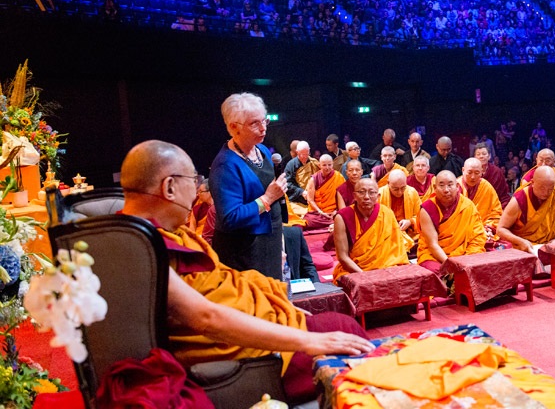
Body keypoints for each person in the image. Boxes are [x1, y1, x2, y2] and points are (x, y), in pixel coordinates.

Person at [120, 140, 374, 405]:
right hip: (233, 346)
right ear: (169, 187)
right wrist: (308, 341)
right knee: (346, 332)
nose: (196, 190)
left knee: (338, 324)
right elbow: (206, 317)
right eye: (192, 179)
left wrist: (276, 304)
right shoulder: (144, 248)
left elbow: (221, 281)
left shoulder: (167, 234)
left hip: (254, 320)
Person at [209, 93, 288, 279]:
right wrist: (267, 198)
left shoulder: (261, 150)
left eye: (264, 121)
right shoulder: (225, 165)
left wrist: (280, 246)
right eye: (254, 123)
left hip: (270, 241)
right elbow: (230, 218)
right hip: (243, 250)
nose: (263, 128)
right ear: (233, 127)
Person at [332, 178, 409, 284]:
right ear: (354, 196)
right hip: (354, 270)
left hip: (386, 268)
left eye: (371, 192)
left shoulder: (387, 213)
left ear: (378, 197)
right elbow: (343, 257)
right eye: (361, 192)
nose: (366, 197)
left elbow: (398, 251)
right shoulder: (343, 217)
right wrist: (366, 277)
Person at [497, 166, 555, 254]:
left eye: (550, 189)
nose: (546, 193)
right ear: (532, 183)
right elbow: (501, 229)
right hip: (526, 246)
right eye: (542, 188)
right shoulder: (520, 200)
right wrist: (521, 241)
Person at [417, 170, 485, 274]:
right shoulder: (427, 209)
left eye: (450, 185)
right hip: (434, 255)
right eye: (441, 185)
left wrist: (469, 258)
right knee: (436, 273)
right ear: (434, 188)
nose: (446, 190)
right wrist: (449, 264)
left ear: (457, 186)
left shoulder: (467, 206)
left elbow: (477, 237)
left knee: (479, 267)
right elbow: (432, 244)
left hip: (463, 253)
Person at [457, 158, 503, 241]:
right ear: (463, 170)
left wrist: (488, 228)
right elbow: (453, 218)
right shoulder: (456, 187)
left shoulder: (486, 186)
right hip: (462, 231)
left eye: (477, 173)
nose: (473, 177)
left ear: (482, 172)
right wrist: (477, 231)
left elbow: (496, 213)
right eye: (469, 172)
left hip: (485, 230)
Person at [378, 170, 421, 245]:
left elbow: (421, 216)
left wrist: (410, 222)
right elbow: (375, 221)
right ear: (388, 183)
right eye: (395, 189)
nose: (400, 192)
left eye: (403, 188)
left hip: (409, 233)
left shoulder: (412, 192)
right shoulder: (379, 195)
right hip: (387, 234)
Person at [303, 154, 345, 230]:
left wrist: (336, 211)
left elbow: (343, 197)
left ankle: (333, 222)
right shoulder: (314, 179)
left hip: (333, 212)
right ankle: (333, 223)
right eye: (324, 165)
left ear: (333, 164)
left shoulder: (339, 177)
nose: (327, 168)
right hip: (318, 213)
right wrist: (321, 212)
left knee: (343, 218)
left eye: (329, 165)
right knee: (307, 221)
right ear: (319, 165)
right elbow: (310, 200)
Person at [474, 142, 510, 207]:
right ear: (474, 157)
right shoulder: (471, 172)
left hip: (494, 206)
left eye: (484, 154)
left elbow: (503, 195)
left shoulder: (496, 172)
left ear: (489, 156)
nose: (481, 156)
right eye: (478, 154)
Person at [284, 141, 320, 205]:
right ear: (297, 152)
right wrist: (301, 191)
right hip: (298, 200)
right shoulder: (291, 165)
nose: (305, 157)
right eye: (303, 154)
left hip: (314, 198)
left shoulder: (314, 162)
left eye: (307, 154)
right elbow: (287, 183)